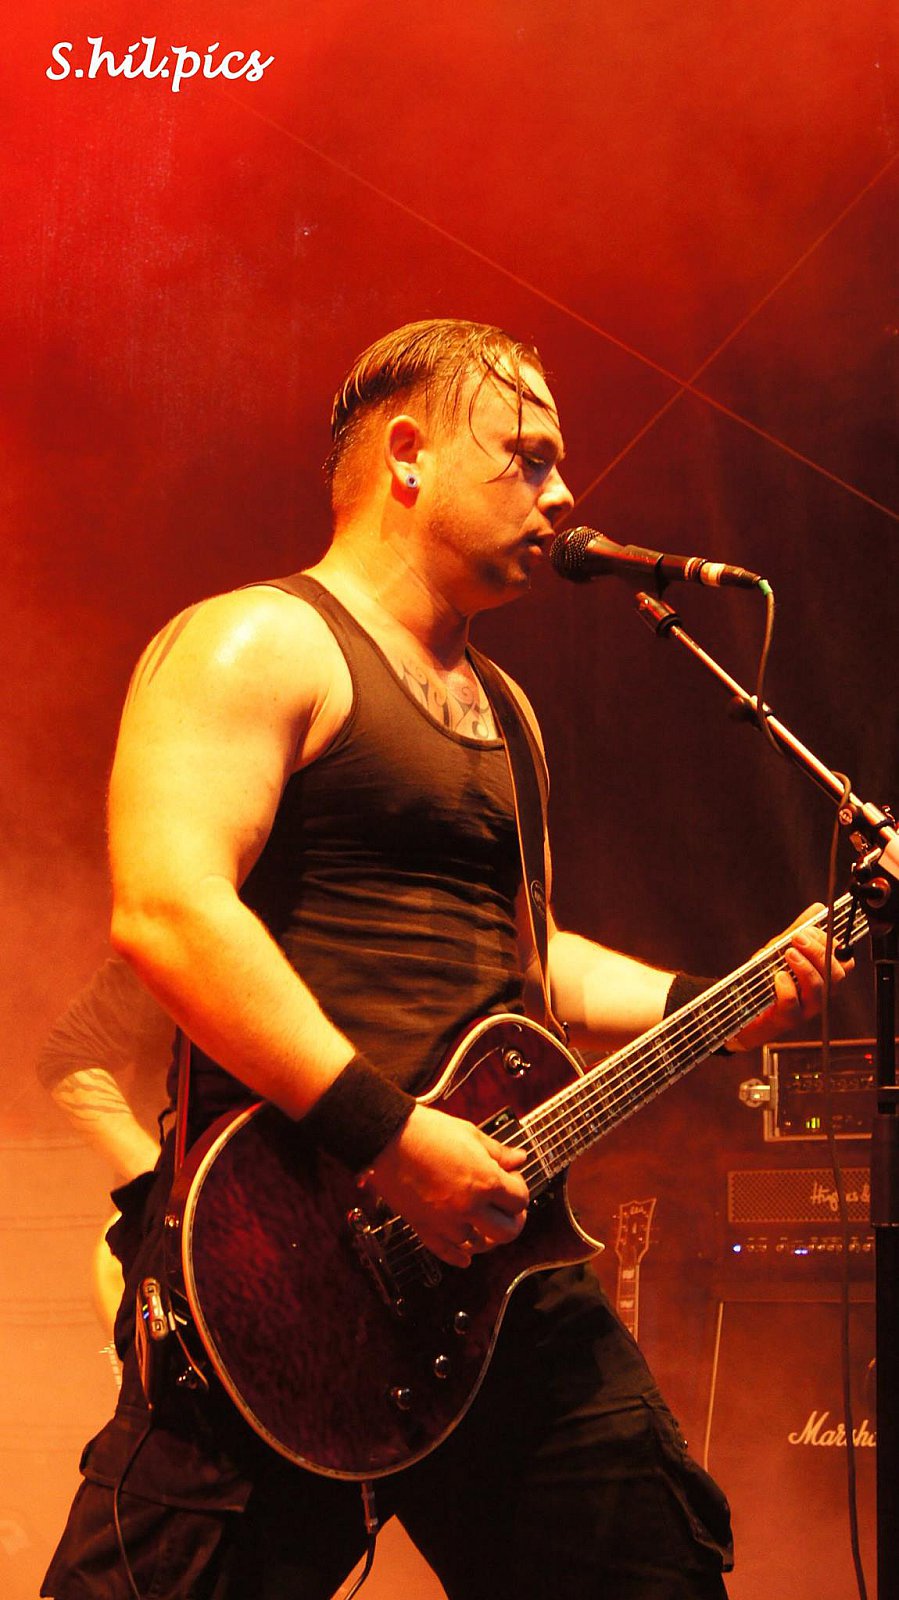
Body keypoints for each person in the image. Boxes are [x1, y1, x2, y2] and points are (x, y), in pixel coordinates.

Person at [43, 318, 848, 1600]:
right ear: (407, 454)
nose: (563, 493)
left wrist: (711, 1002)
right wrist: (391, 1140)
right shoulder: (256, 644)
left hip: (491, 1268)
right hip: (273, 1267)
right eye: (528, 455)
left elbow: (531, 960)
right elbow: (169, 911)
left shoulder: (508, 713)